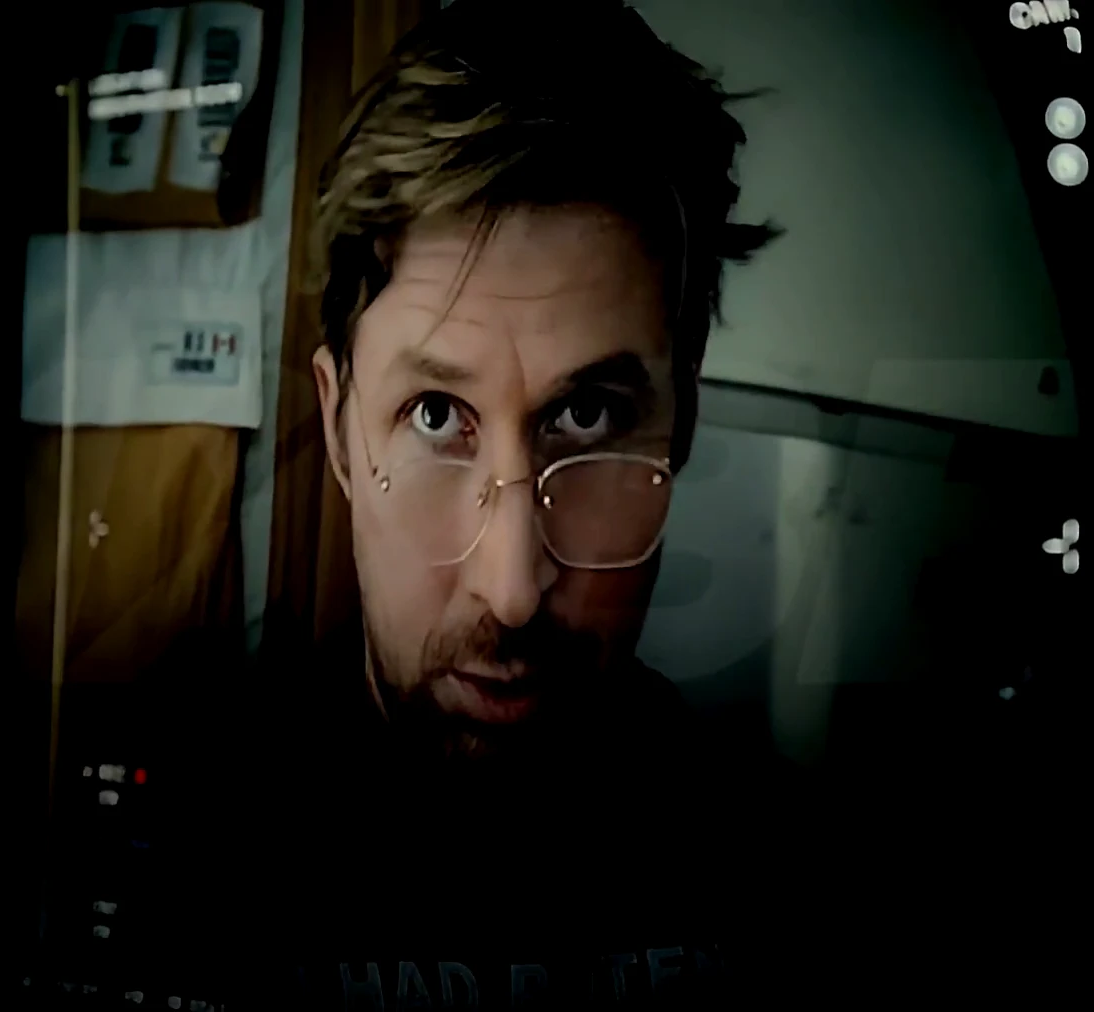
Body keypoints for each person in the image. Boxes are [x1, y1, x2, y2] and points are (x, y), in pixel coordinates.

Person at [173, 3, 804, 1006]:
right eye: (435, 415)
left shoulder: (779, 869)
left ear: (680, 424)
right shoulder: (185, 846)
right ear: (338, 427)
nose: (512, 590)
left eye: (588, 415)